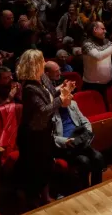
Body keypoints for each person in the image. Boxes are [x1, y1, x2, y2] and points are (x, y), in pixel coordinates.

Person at [16, 49, 72, 206]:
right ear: (34, 65)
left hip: (45, 130)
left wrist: (63, 87)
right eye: (41, 61)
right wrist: (61, 99)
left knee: (46, 165)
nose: (45, 63)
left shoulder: (43, 78)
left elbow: (51, 94)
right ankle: (31, 200)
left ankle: (45, 197)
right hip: (33, 135)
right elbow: (43, 110)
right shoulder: (29, 88)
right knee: (34, 169)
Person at [51, 91, 105, 190]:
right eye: (68, 95)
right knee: (84, 161)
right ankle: (84, 189)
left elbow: (85, 121)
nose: (72, 96)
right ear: (60, 99)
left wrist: (86, 134)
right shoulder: (51, 112)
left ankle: (97, 187)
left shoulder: (73, 105)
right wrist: (65, 141)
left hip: (79, 142)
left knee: (98, 157)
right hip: (66, 146)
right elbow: (51, 136)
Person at [81, 21, 112, 96]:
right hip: (92, 85)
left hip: (108, 84)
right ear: (95, 29)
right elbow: (98, 56)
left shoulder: (107, 42)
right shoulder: (87, 43)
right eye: (103, 29)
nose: (105, 31)